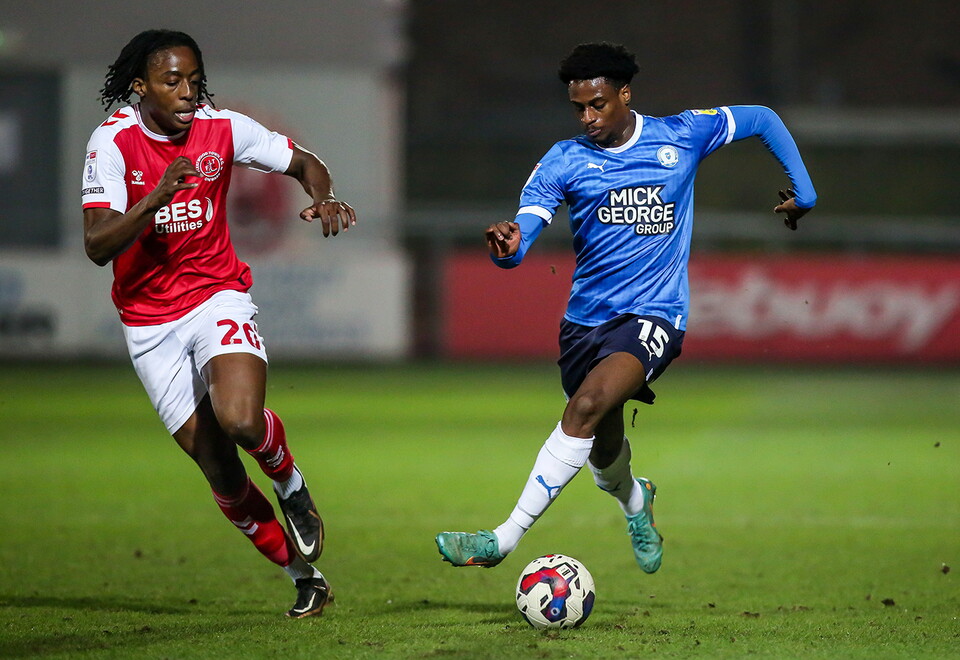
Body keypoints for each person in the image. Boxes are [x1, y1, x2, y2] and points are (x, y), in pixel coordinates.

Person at [435, 42, 815, 571]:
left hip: (655, 314)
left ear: (624, 94)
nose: (588, 117)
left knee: (586, 407)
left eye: (598, 104)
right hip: (584, 326)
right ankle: (637, 501)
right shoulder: (563, 160)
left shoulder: (680, 135)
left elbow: (762, 118)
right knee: (602, 449)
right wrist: (507, 247)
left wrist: (806, 191)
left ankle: (501, 539)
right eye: (579, 108)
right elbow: (522, 239)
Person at [81, 29, 357, 618]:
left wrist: (326, 195)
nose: (186, 92)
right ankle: (304, 577)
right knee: (220, 471)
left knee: (238, 418)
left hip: (217, 296)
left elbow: (306, 163)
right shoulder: (111, 143)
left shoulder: (222, 127)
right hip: (148, 322)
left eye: (193, 80)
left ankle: (292, 486)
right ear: (141, 87)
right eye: (171, 81)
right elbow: (98, 244)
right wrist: (155, 198)